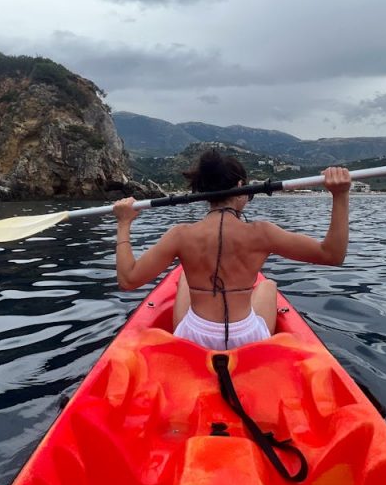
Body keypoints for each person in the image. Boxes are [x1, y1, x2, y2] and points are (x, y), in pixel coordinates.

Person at [112, 149, 351, 350]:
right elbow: (332, 254)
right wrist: (340, 195)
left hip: (193, 337)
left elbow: (128, 279)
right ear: (239, 187)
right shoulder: (262, 233)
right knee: (268, 285)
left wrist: (124, 223)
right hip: (246, 338)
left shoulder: (181, 235)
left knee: (184, 276)